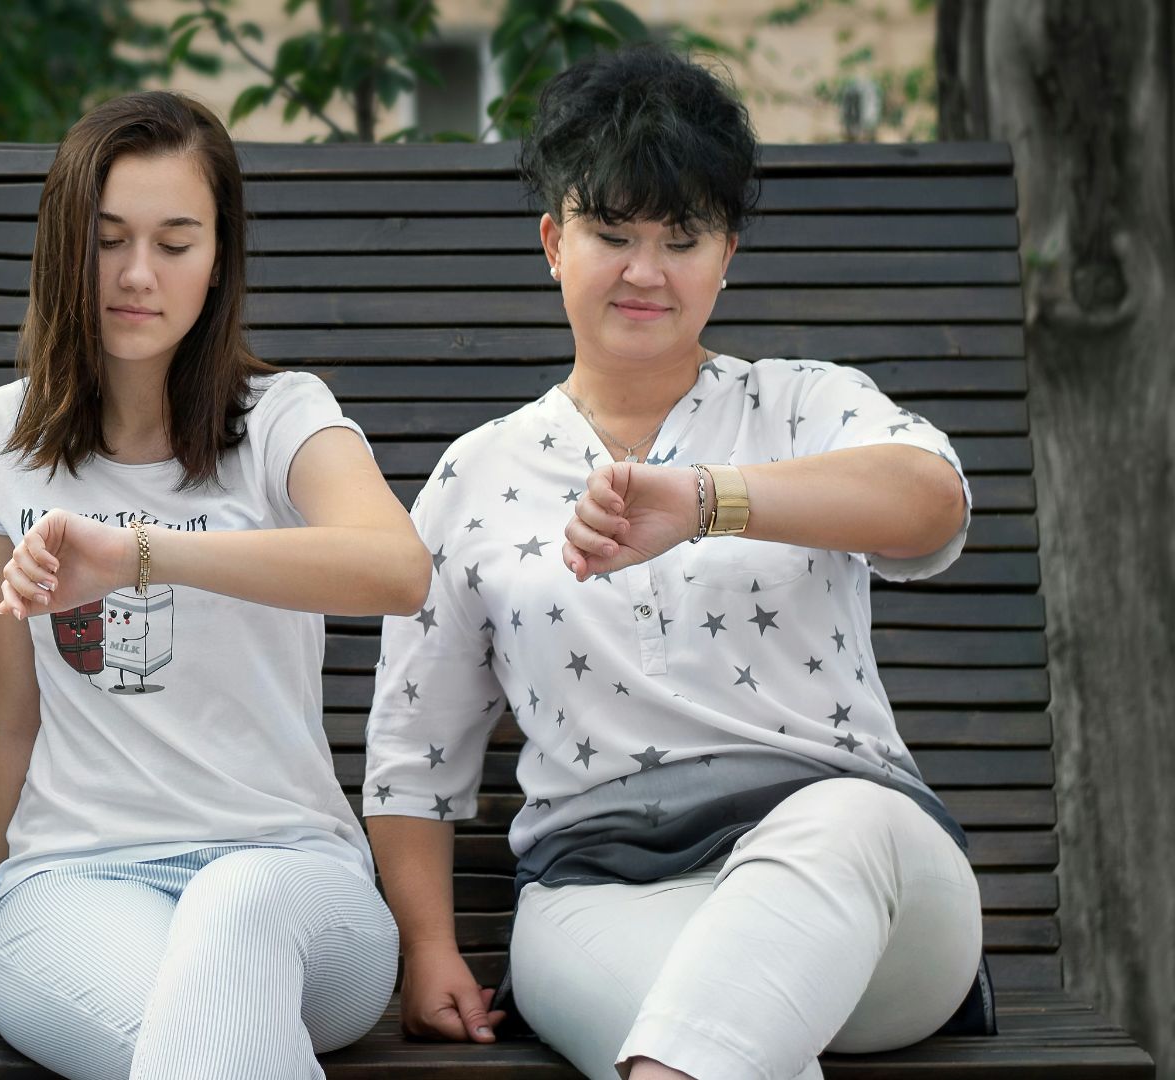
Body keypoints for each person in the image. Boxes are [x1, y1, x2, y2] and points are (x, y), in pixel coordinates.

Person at [361, 46, 987, 1080]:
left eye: (681, 238)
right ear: (554, 241)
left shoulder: (805, 405)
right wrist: (429, 947)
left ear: (726, 254)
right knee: (696, 1045)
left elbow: (933, 503)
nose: (645, 271)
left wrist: (708, 501)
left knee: (840, 825)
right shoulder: (475, 477)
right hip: (602, 898)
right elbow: (414, 754)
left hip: (872, 893)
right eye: (612, 233)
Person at [0, 91, 428, 1080]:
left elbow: (397, 567)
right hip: (76, 884)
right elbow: (13, 710)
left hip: (295, 880)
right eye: (107, 241)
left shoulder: (283, 419)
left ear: (219, 257)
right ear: (63, 248)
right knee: (185, 1046)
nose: (138, 275)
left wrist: (140, 553)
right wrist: (14, 954)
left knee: (231, 911)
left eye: (176, 242)